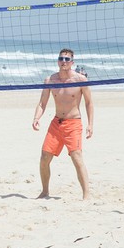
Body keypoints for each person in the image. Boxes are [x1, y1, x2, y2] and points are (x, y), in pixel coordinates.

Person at [32, 48, 94, 200]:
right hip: (56, 123)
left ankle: (86, 195)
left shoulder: (80, 80)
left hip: (73, 123)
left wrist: (90, 124)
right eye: (61, 59)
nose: (63, 62)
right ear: (58, 61)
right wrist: (36, 118)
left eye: (67, 59)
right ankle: (45, 191)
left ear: (72, 62)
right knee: (44, 158)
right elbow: (42, 103)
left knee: (76, 157)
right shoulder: (50, 80)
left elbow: (89, 103)